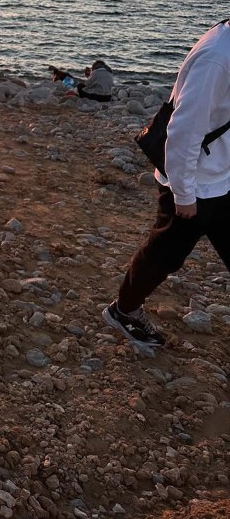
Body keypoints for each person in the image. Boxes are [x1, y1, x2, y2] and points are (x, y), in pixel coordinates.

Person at [103, 18, 230, 345]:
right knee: (165, 254)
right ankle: (124, 311)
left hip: (222, 174)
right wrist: (183, 193)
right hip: (195, 182)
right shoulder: (219, 56)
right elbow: (183, 130)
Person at [49, 60, 114, 102]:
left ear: (95, 67)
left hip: (98, 97)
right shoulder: (110, 73)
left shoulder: (95, 72)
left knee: (79, 85)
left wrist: (89, 76)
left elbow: (88, 85)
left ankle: (63, 79)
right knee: (77, 84)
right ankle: (64, 78)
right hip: (107, 97)